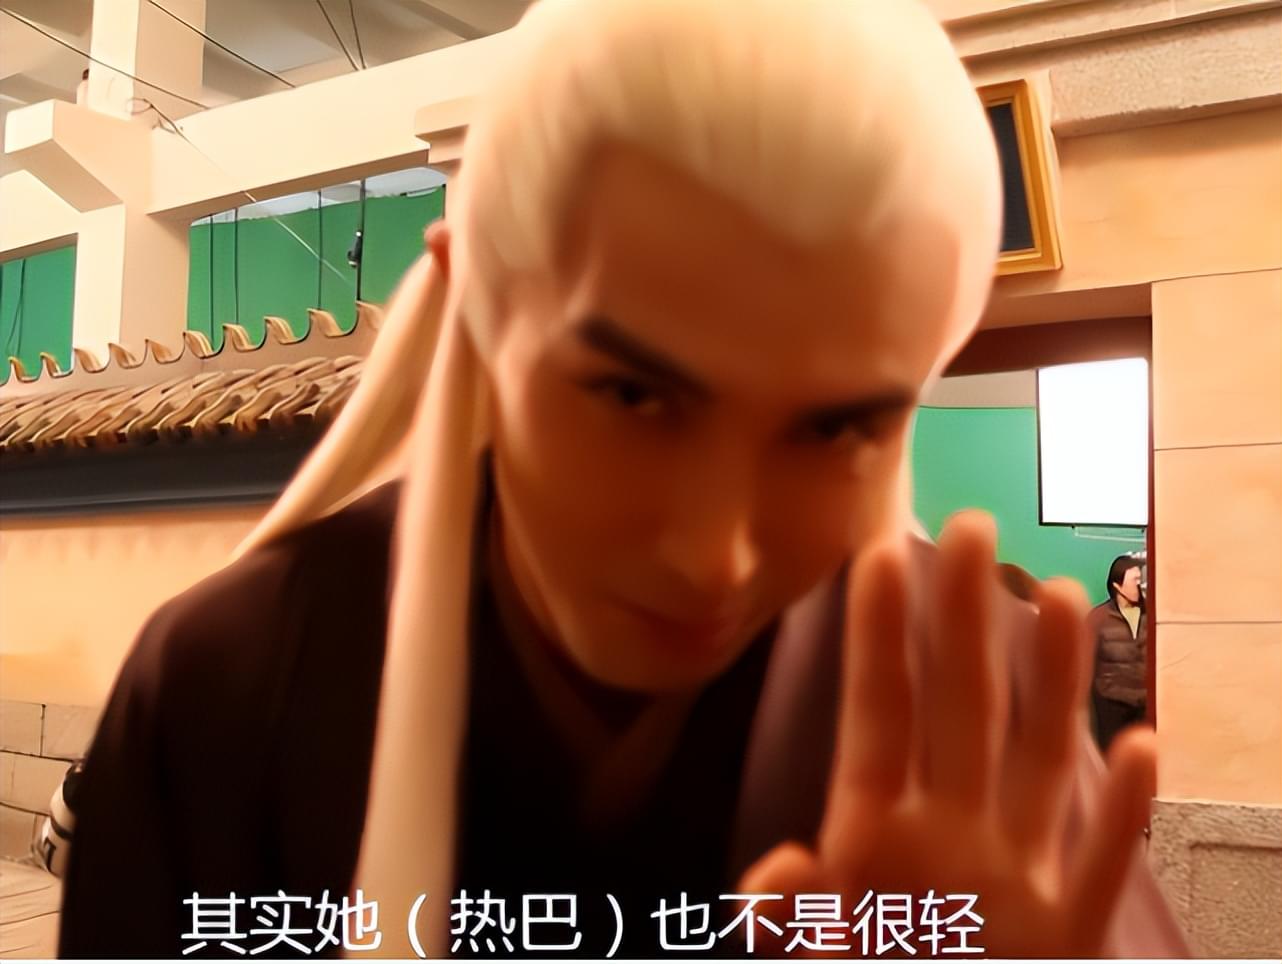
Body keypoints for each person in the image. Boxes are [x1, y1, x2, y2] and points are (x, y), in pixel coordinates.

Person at [57, 1, 1188, 958]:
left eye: (839, 427)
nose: (715, 553)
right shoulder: (227, 680)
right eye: (635, 398)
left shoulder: (971, 696)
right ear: (483, 300)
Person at [1089, 554, 1148, 752]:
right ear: (1117, 585)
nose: (1140, 585)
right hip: (1111, 706)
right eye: (1135, 580)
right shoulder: (1098, 618)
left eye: (1142, 579)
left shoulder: (1153, 615)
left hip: (1145, 706)